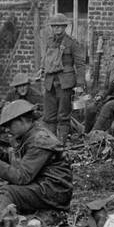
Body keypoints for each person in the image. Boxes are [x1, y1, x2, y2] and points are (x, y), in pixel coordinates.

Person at [40, 12, 87, 144]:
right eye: (55, 27)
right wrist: (42, 71)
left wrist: (80, 84)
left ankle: (61, 143)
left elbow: (80, 64)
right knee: (49, 116)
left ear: (65, 27)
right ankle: (50, 143)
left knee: (63, 115)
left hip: (65, 83)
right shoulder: (49, 41)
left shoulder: (72, 43)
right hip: (50, 82)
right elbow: (46, 60)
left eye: (60, 27)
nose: (58, 30)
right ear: (52, 28)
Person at [0, 71, 43, 147]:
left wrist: (34, 111)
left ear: (28, 85)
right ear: (16, 88)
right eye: (19, 86)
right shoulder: (11, 94)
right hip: (15, 122)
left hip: (29, 122)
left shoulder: (36, 95)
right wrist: (3, 107)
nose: (22, 88)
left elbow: (44, 114)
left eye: (24, 85)